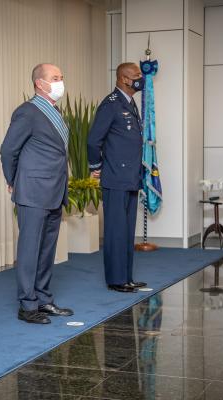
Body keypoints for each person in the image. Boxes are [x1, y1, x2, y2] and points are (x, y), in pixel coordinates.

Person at [0, 63, 73, 325]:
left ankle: (44, 299)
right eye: (55, 78)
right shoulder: (27, 112)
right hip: (33, 190)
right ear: (40, 83)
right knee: (30, 249)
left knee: (46, 249)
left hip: (54, 189)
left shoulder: (54, 111)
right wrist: (13, 179)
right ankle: (27, 305)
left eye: (61, 77)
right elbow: (8, 150)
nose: (60, 82)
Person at [87, 62, 147, 293]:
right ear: (123, 79)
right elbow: (94, 140)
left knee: (126, 230)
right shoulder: (110, 104)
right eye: (136, 75)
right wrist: (97, 166)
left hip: (130, 177)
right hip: (115, 177)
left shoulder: (130, 104)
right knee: (115, 230)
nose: (140, 78)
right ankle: (116, 279)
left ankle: (126, 277)